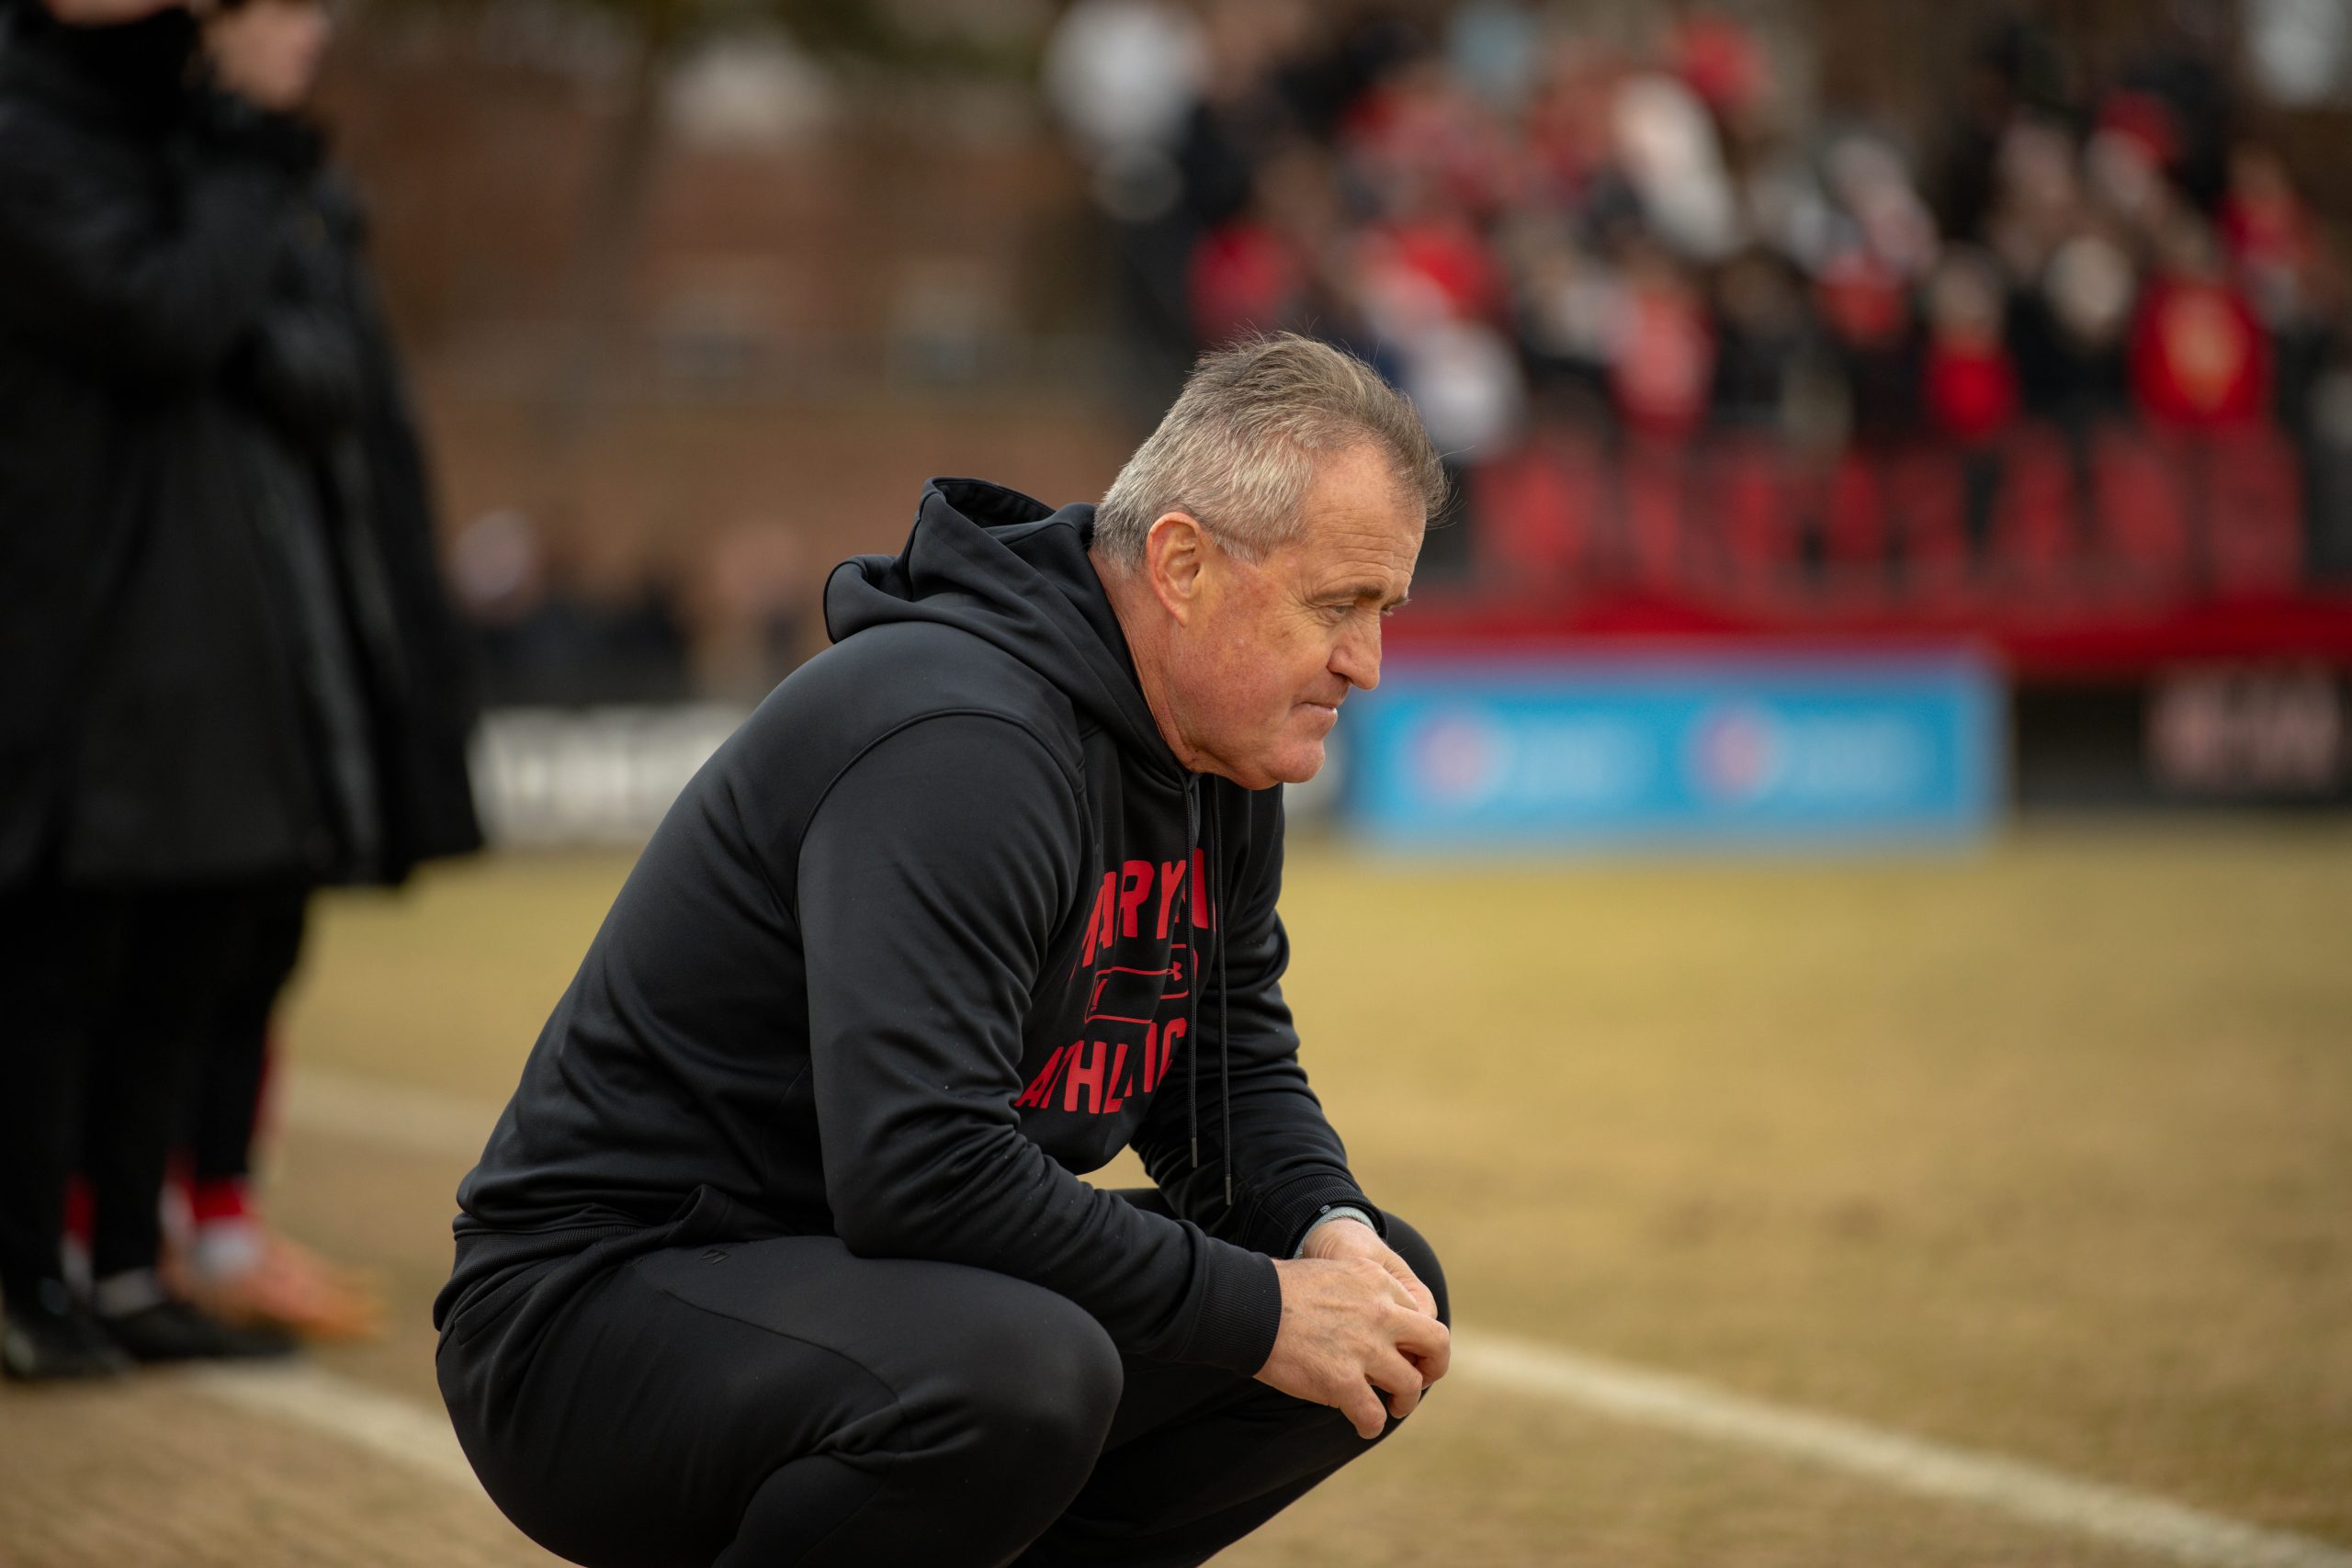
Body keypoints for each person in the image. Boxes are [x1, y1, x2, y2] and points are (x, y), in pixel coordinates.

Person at [435, 333, 1453, 1568]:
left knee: (1386, 1303)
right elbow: (921, 1168)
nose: (1366, 664)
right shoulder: (960, 736)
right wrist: (1256, 1309)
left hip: (879, 1284)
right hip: (601, 1310)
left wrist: (1326, 1228)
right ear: (1182, 564)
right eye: (1335, 606)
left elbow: (1222, 1076)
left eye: (1383, 612)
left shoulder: (1215, 752)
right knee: (1022, 1369)